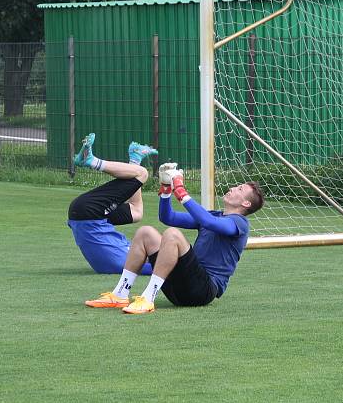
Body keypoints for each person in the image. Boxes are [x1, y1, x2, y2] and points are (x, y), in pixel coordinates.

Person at [84, 162, 265, 314]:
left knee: (172, 234)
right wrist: (166, 189)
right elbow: (167, 217)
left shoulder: (240, 223)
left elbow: (208, 222)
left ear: (246, 203)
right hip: (180, 286)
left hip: (203, 291)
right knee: (145, 232)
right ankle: (120, 294)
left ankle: (148, 298)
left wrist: (181, 190)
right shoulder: (214, 215)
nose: (233, 188)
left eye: (240, 189)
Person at [67, 133, 159, 275]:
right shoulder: (130, 257)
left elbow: (164, 268)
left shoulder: (131, 264)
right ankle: (135, 158)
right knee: (136, 213)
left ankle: (92, 161)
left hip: (88, 213)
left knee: (141, 174)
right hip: (88, 216)